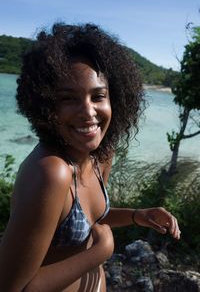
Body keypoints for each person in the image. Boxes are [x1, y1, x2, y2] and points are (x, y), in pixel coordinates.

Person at [0, 23, 180, 292]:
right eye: (68, 99)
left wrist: (135, 215)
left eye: (98, 96)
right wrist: (99, 252)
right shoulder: (51, 173)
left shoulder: (100, 156)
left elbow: (93, 219)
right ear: (46, 105)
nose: (88, 112)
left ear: (114, 99)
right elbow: (11, 287)